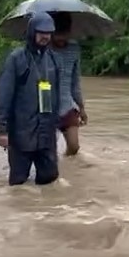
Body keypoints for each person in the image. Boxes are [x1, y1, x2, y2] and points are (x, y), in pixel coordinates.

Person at [0, 11, 63, 186]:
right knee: (18, 184)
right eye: (41, 32)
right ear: (32, 32)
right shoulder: (16, 59)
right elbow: (2, 95)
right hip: (22, 134)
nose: (45, 37)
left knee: (50, 180)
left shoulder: (54, 59)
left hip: (47, 133)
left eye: (48, 33)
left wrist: (58, 122)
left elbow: (57, 95)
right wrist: (2, 130)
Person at [50, 12, 87, 156]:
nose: (61, 39)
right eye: (58, 35)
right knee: (48, 151)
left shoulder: (74, 49)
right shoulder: (42, 49)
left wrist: (82, 108)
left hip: (68, 105)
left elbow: (75, 82)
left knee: (74, 147)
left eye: (64, 34)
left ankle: (69, 168)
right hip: (47, 107)